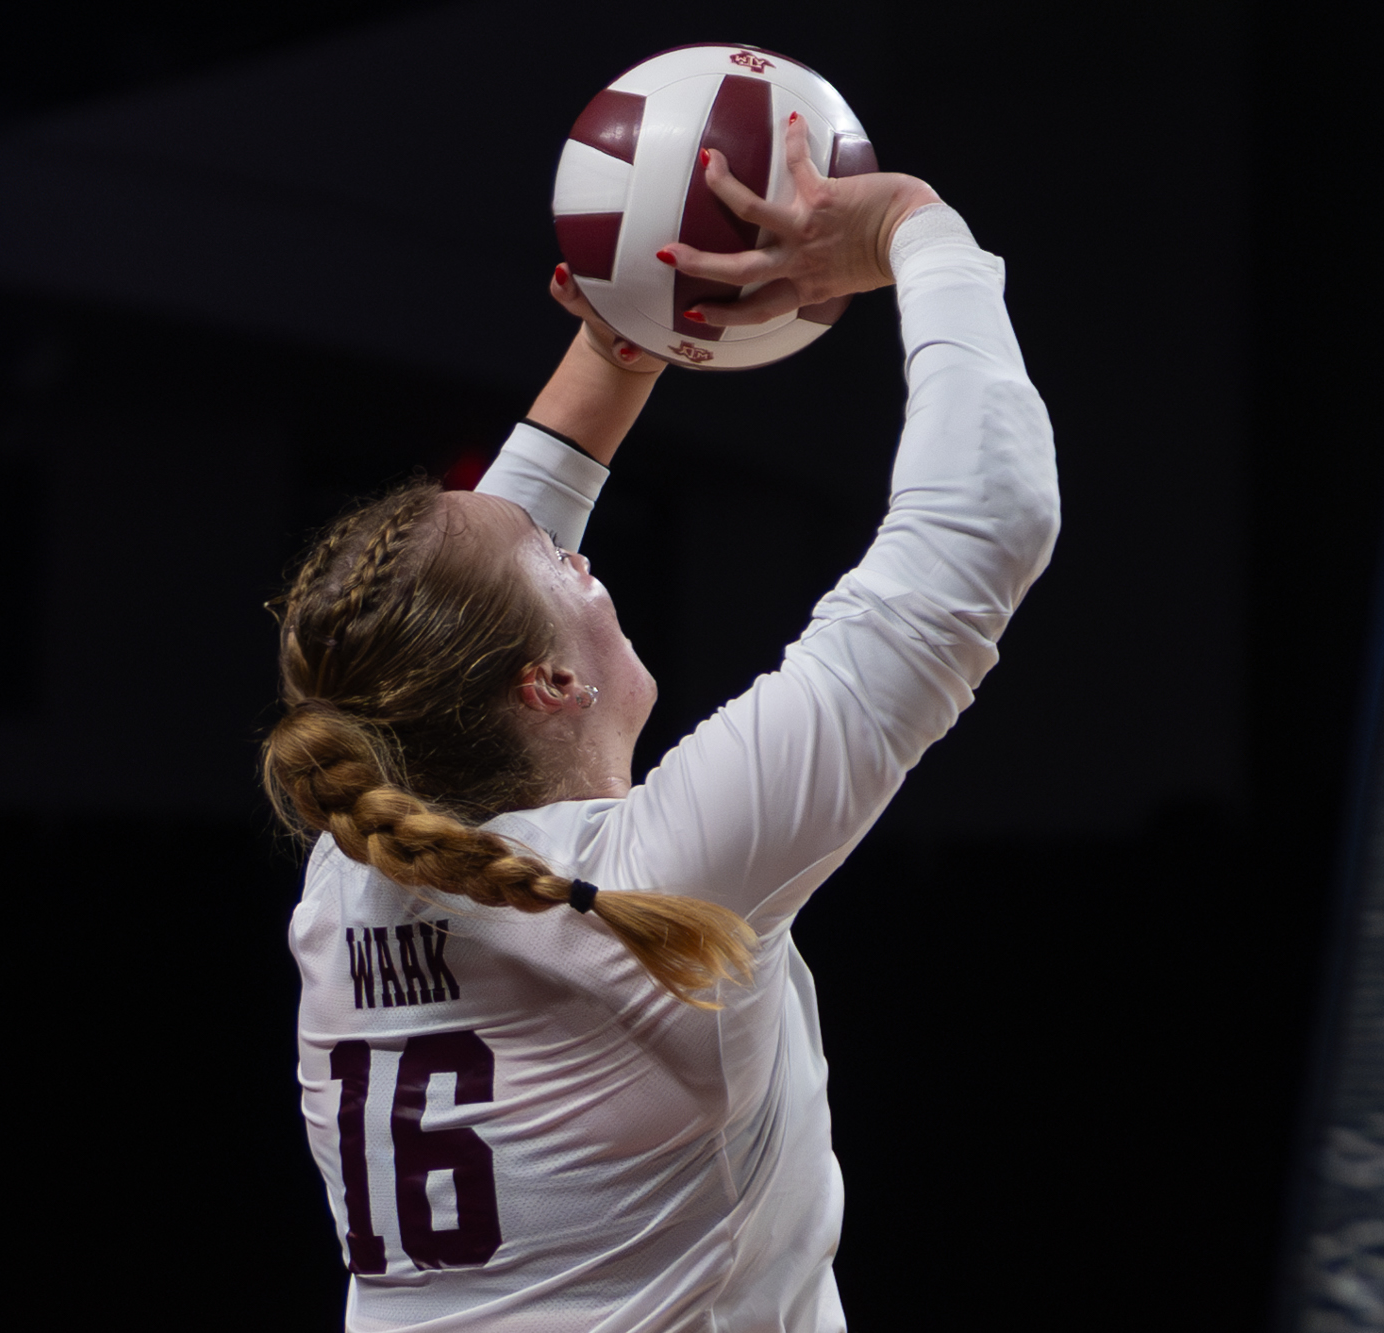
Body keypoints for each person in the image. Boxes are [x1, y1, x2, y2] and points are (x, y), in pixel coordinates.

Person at [261, 116, 1058, 1332]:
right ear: (549, 684)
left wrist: (626, 335)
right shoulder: (662, 880)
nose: (578, 556)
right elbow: (984, 522)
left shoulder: (354, 875)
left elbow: (475, 587)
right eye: (560, 562)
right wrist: (913, 229)